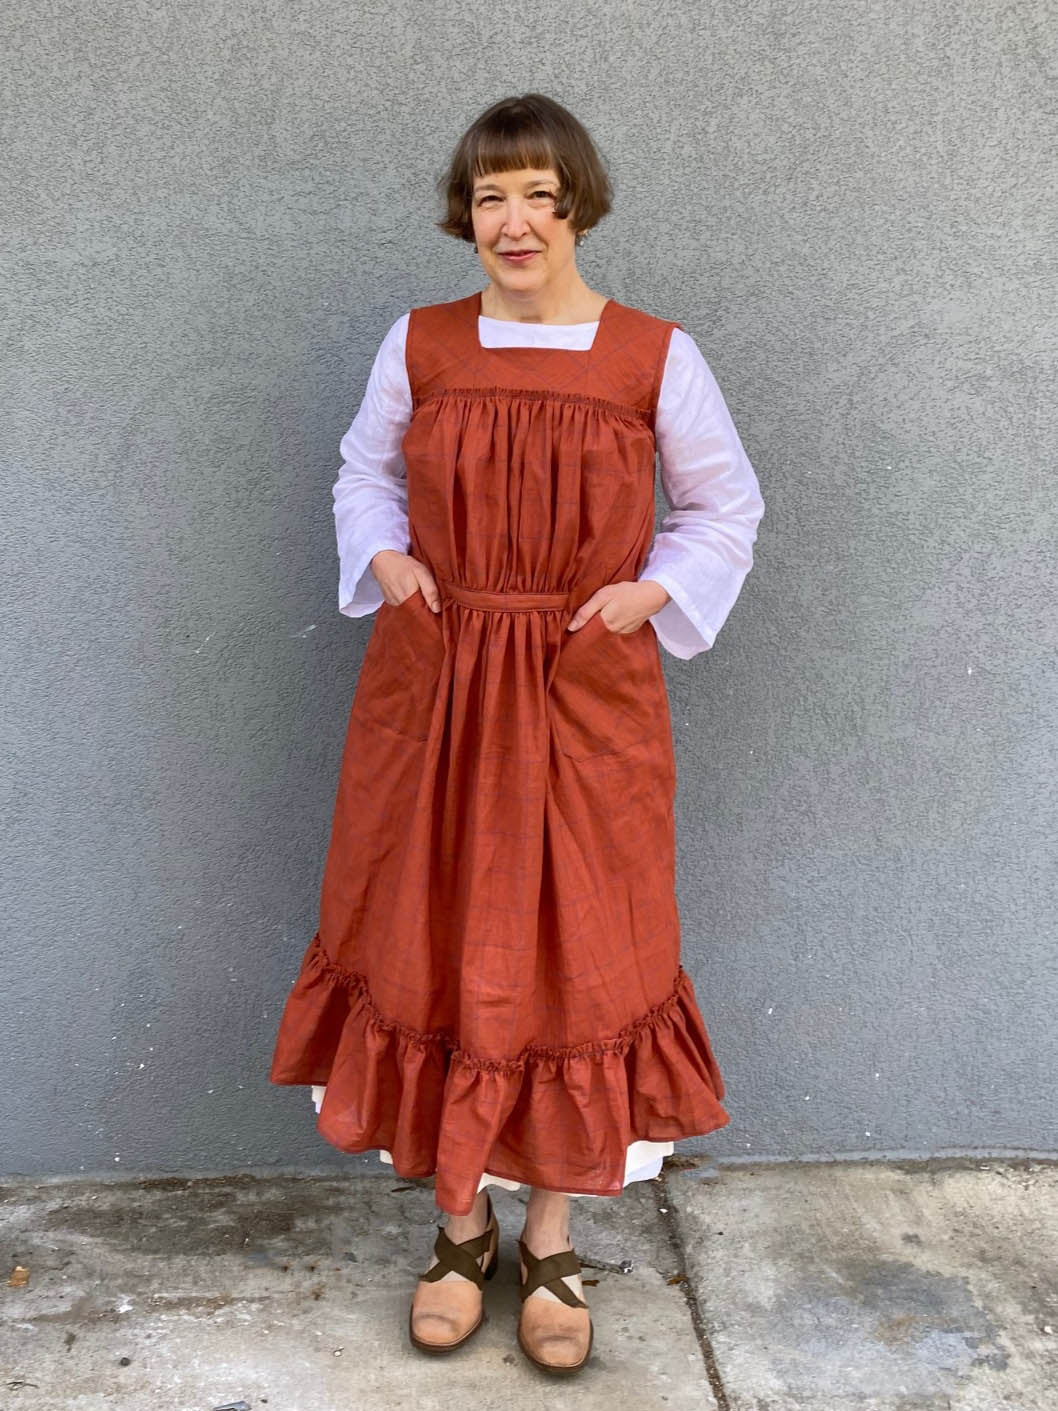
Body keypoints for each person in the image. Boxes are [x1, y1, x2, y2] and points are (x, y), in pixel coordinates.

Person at [269, 92, 765, 1375]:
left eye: (538, 193)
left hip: (579, 691)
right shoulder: (422, 343)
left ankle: (547, 1238)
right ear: (465, 213)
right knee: (432, 936)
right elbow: (362, 470)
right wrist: (381, 556)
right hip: (434, 687)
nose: (513, 220)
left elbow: (723, 507)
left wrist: (647, 593)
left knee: (573, 952)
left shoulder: (653, 354)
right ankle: (455, 1229)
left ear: (576, 202)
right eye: (490, 195)